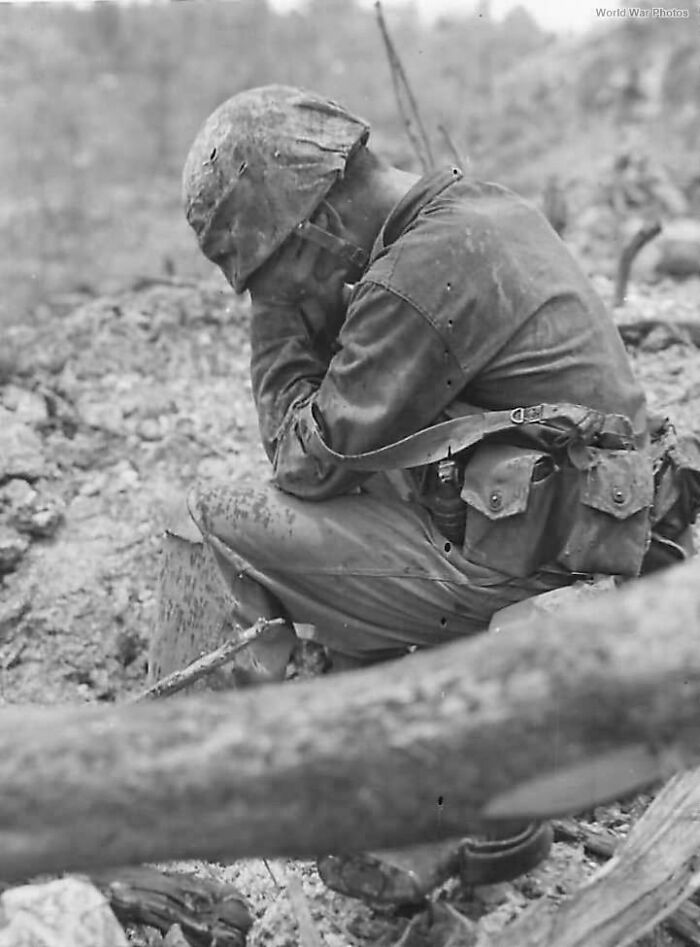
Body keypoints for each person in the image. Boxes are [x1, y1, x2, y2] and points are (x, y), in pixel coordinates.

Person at [152, 85, 694, 902]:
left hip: (535, 565)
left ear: (324, 223)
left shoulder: (415, 277)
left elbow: (302, 461)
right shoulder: (474, 211)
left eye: (276, 271)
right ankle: (401, 757)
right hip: (580, 535)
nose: (283, 293)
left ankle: (212, 779)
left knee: (213, 514)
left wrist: (274, 327)